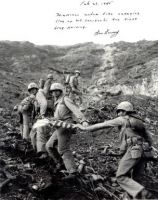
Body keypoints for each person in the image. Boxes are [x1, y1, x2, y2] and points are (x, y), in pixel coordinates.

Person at [76, 101, 153, 199]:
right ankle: (135, 197)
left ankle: (143, 194)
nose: (119, 114)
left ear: (125, 112)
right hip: (144, 152)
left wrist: (84, 128)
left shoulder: (123, 119)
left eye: (120, 111)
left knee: (120, 176)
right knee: (135, 179)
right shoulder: (139, 121)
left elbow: (104, 124)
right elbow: (149, 138)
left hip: (134, 150)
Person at [45, 83, 88, 175]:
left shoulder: (65, 99)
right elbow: (58, 115)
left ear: (60, 91)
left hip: (66, 124)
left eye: (56, 91)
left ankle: (72, 171)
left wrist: (83, 120)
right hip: (59, 125)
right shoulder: (56, 101)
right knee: (49, 145)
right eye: (53, 91)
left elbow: (75, 109)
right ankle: (60, 164)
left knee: (63, 149)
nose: (54, 93)